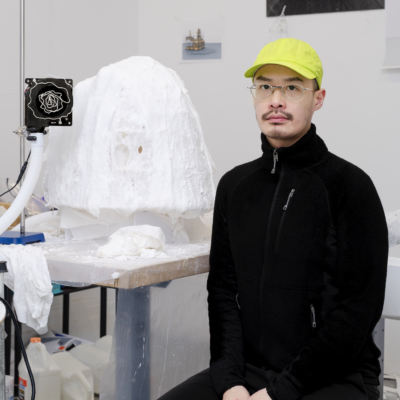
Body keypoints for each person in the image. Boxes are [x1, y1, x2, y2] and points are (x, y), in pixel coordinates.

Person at [158, 38, 388, 400]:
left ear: (319, 98)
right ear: (254, 96)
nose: (276, 100)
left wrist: (279, 393)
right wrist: (230, 382)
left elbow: (357, 312)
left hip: (335, 376)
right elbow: (222, 293)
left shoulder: (350, 187)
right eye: (265, 87)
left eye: (292, 88)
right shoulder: (235, 186)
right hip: (248, 373)